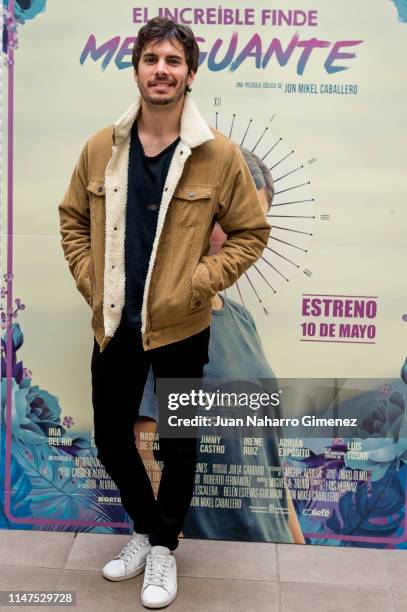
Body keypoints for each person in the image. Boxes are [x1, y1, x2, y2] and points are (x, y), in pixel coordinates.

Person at [58, 17, 270, 610]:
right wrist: (91, 284)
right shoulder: (102, 148)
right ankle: (153, 534)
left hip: (182, 326)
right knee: (110, 438)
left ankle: (162, 551)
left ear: (190, 75)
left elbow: (251, 232)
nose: (162, 70)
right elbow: (72, 219)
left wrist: (200, 283)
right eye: (152, 59)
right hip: (115, 324)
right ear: (136, 68)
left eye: (173, 62)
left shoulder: (218, 156)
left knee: (178, 445)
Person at [136, 148, 304, 545]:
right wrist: (170, 541)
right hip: (208, 562)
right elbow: (141, 445)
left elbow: (269, 462)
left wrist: (298, 547)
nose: (230, 235)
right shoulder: (155, 313)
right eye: (223, 215)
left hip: (272, 548)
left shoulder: (241, 320)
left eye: (248, 221)